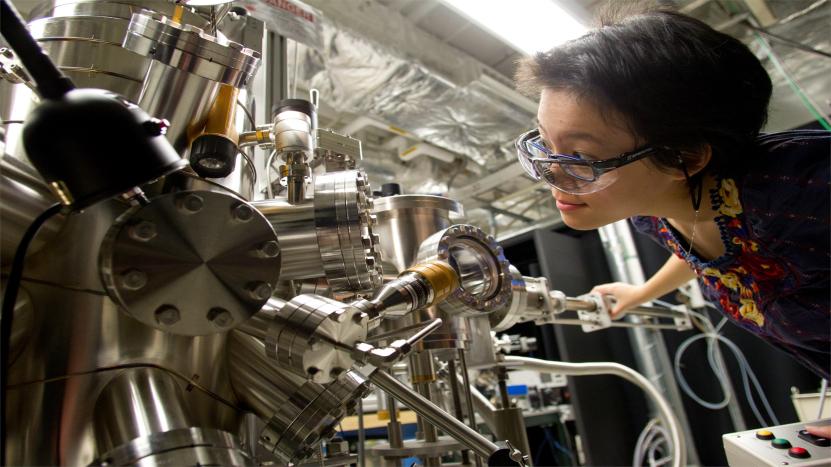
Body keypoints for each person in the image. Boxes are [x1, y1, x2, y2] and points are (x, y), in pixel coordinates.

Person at [513, 3, 830, 436]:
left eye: (581, 157)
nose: (552, 172)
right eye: (546, 145)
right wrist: (642, 293)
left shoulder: (802, 195)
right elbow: (707, 246)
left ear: (685, 157)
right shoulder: (656, 211)